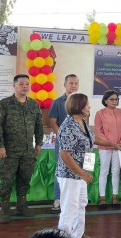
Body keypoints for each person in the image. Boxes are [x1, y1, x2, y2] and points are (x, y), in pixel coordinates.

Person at [56, 93, 121, 238]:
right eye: (86, 105)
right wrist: (82, 174)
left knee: (81, 204)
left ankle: (78, 235)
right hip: (70, 175)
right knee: (69, 208)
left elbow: (93, 138)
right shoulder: (68, 126)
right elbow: (64, 155)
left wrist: (113, 144)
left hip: (80, 174)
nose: (89, 107)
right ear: (78, 106)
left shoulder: (82, 122)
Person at [0, 74, 44, 224]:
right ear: (14, 85)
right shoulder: (4, 104)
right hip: (8, 151)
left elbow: (39, 125)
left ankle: (21, 206)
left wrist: (39, 143)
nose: (25, 86)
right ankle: (5, 209)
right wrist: (0, 146)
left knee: (25, 179)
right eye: (21, 84)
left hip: (28, 150)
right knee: (6, 181)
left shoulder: (33, 105)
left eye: (27, 84)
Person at [48, 74, 79, 213]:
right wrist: (63, 137)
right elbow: (52, 123)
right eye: (71, 83)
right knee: (60, 170)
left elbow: (84, 123)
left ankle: (75, 199)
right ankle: (58, 199)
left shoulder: (82, 102)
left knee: (77, 169)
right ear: (65, 85)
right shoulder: (57, 102)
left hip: (78, 144)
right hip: (62, 143)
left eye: (76, 83)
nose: (74, 86)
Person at [94, 90, 121, 210]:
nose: (115, 101)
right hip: (105, 148)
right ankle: (102, 198)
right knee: (104, 172)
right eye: (112, 99)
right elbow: (98, 132)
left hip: (119, 148)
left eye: (116, 99)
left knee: (116, 172)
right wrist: (111, 144)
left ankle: (115, 197)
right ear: (105, 101)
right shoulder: (100, 113)